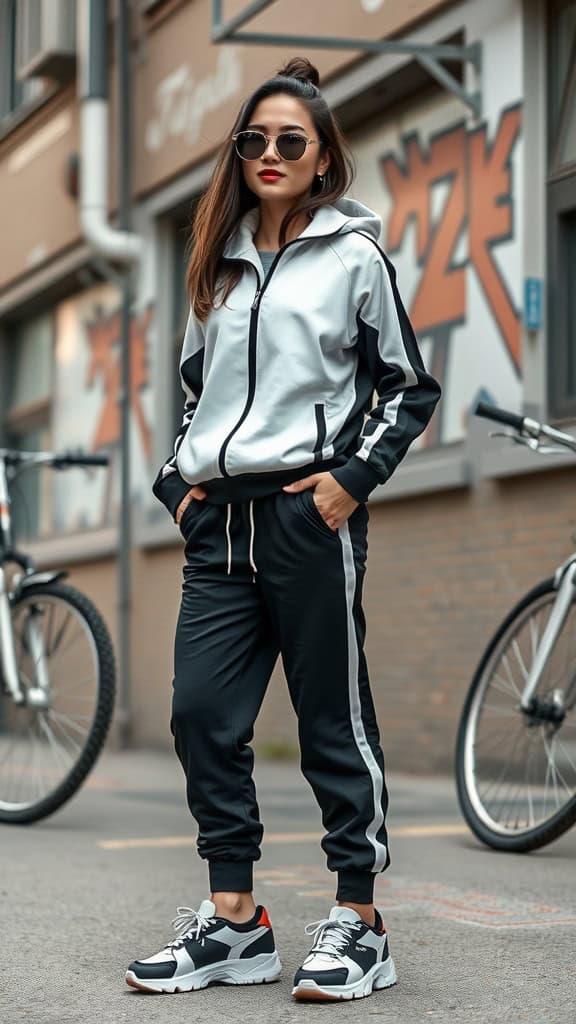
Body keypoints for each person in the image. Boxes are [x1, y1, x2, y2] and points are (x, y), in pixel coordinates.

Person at [126, 56, 441, 1003]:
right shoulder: (215, 266)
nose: (270, 153)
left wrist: (348, 483)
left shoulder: (355, 258)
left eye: (290, 141)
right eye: (254, 139)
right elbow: (195, 393)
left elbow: (407, 387)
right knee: (200, 716)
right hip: (219, 527)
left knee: (331, 722)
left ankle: (360, 920)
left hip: (310, 518)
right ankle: (235, 924)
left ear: (322, 158)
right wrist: (178, 488)